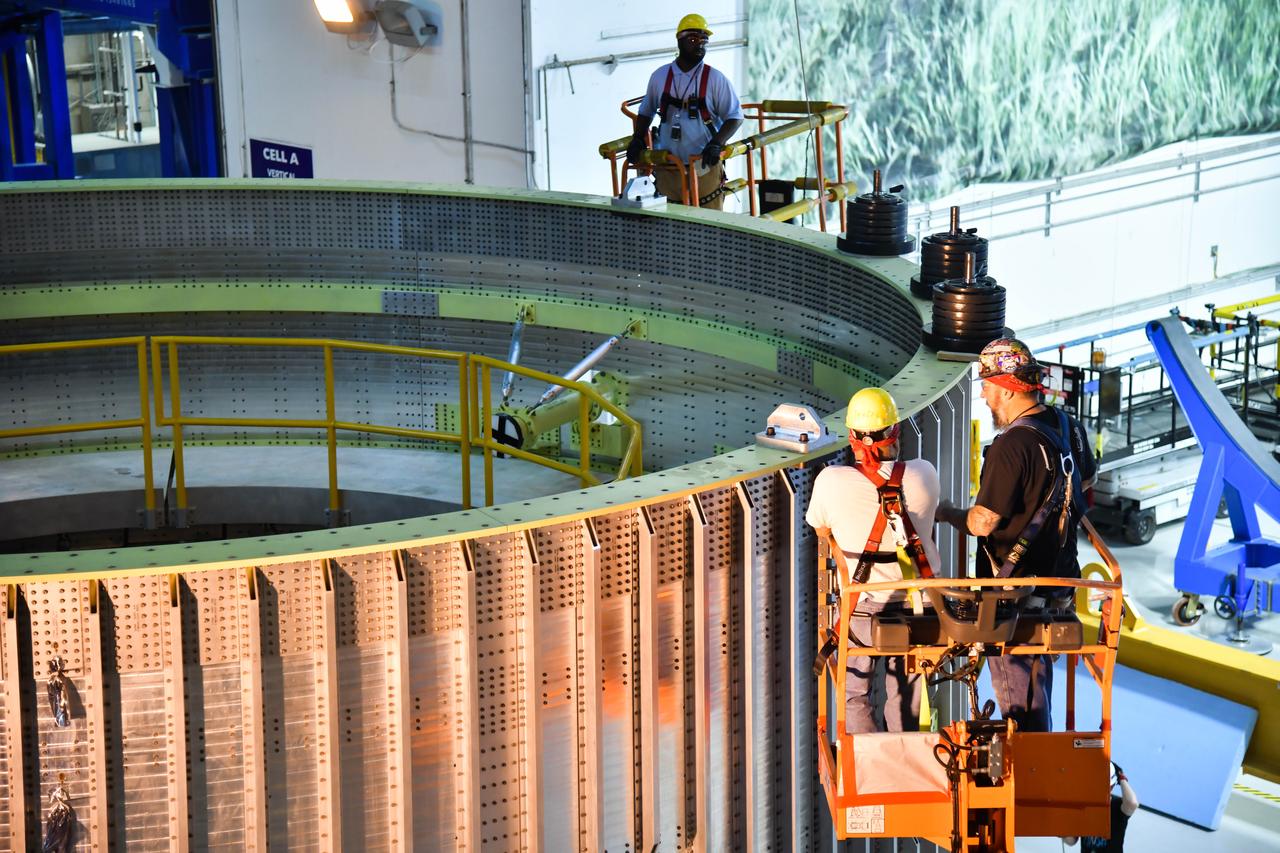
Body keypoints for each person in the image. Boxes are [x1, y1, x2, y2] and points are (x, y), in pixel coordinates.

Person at [936, 337, 1097, 732]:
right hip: (1059, 583)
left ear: (1008, 388)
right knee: (1036, 687)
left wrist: (945, 513)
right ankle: (1034, 763)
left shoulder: (1012, 445)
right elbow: (1087, 478)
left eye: (987, 386)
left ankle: (1025, 777)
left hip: (1015, 596)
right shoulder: (1067, 426)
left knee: (1018, 699)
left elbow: (983, 522)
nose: (985, 395)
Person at [806, 388, 941, 733]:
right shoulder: (925, 473)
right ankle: (906, 760)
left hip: (862, 612)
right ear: (895, 433)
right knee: (909, 692)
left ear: (852, 439)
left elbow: (821, 529)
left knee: (853, 694)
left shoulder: (830, 481)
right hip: (920, 610)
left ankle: (867, 769)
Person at [626, 13, 744, 209]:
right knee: (670, 223)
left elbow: (735, 116)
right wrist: (638, 138)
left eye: (704, 40)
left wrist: (716, 143)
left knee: (708, 224)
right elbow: (646, 111)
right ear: (679, 41)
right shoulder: (660, 77)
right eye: (693, 39)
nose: (699, 45)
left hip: (703, 166)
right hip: (668, 167)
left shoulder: (714, 79)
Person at [1065, 762, 1139, 851]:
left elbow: (1132, 803)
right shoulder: (1084, 807)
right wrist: (1060, 829)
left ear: (1111, 787)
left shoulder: (1117, 806)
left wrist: (1121, 778)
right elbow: (1071, 841)